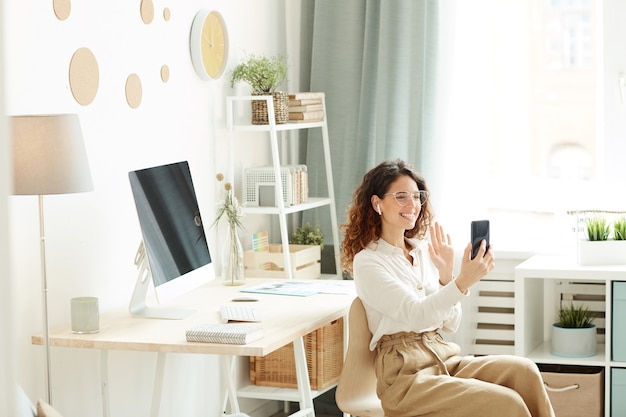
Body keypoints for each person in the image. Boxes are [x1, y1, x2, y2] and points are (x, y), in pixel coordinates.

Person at [340, 159, 555, 417]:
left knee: (525, 371)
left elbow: (451, 324)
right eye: (401, 197)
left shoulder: (421, 251)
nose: (412, 205)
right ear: (377, 203)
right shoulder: (369, 261)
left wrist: (446, 277)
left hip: (443, 357)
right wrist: (461, 282)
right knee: (507, 403)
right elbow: (416, 315)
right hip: (405, 377)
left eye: (417, 196)